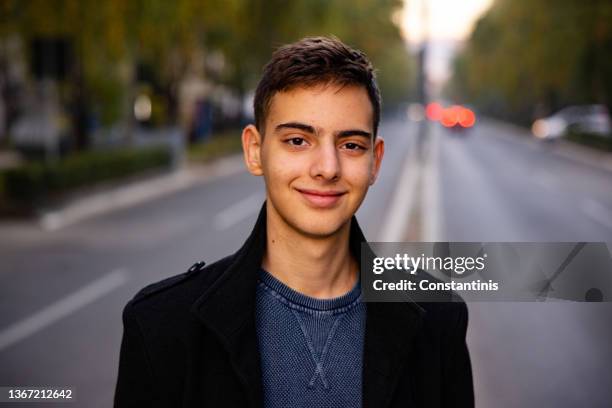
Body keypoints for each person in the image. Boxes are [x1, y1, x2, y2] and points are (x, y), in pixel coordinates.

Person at [114, 36, 474, 408]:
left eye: (351, 145)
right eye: (298, 141)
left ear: (375, 162)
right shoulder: (161, 327)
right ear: (255, 151)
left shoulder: (438, 319)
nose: (327, 169)